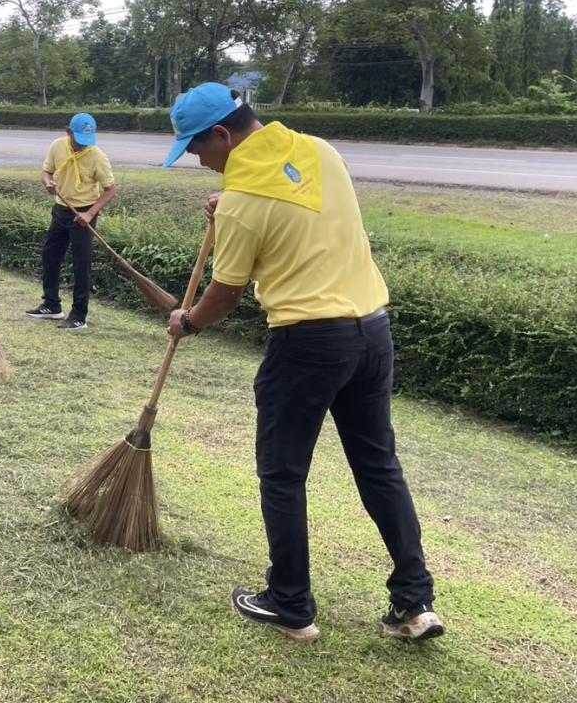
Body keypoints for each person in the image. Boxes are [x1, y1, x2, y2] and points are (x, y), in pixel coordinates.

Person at [162, 82, 443, 645]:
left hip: (307, 343)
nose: (197, 159)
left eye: (196, 147)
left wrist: (187, 321)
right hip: (372, 332)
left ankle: (290, 604)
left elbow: (225, 294)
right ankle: (414, 603)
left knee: (283, 474)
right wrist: (229, 204)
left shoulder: (242, 205)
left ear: (223, 135)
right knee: (379, 466)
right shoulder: (320, 150)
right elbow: (298, 207)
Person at [25, 113, 116, 332]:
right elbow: (46, 172)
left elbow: (111, 191)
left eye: (87, 140)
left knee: (81, 264)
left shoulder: (98, 156)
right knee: (50, 256)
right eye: (79, 140)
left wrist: (90, 214)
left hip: (84, 213)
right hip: (61, 209)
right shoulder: (57, 146)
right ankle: (51, 304)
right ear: (68, 132)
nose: (83, 145)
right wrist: (48, 184)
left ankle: (78, 316)